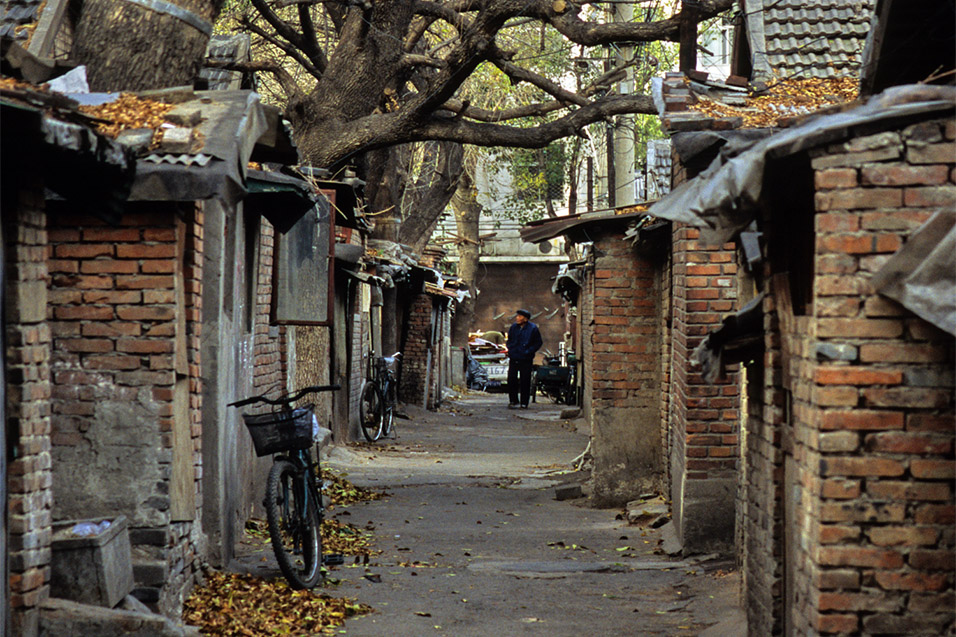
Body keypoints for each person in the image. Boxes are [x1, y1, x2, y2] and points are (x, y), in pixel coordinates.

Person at [506, 309, 543, 409]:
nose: (517, 318)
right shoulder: (514, 327)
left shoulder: (532, 328)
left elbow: (538, 342)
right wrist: (511, 349)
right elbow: (510, 339)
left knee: (525, 380)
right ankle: (513, 400)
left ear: (525, 319)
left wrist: (529, 351)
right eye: (517, 316)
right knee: (511, 379)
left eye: (520, 316)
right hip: (514, 357)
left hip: (526, 358)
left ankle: (524, 402)